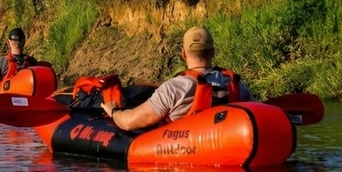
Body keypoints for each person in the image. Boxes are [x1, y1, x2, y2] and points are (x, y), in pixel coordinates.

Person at [101, 26, 254, 131]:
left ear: (183, 54)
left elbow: (129, 123)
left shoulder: (173, 88)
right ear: (212, 52)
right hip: (229, 144)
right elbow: (257, 114)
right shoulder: (237, 85)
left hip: (185, 153)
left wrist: (114, 111)